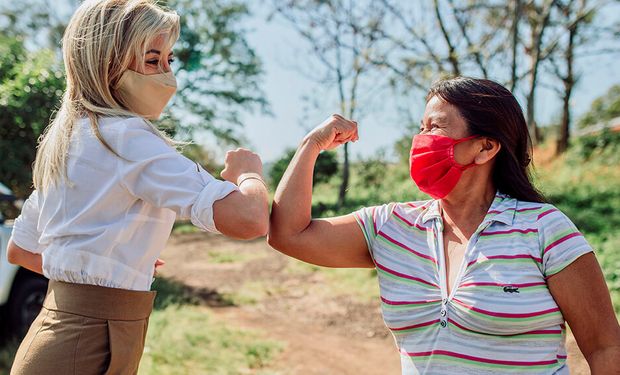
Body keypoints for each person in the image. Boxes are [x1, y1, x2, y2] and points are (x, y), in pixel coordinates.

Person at [268, 77, 620, 374]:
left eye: (434, 127)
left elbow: (606, 349)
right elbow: (289, 234)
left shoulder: (544, 229)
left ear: (485, 147)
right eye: (421, 129)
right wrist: (310, 145)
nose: (420, 140)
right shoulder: (391, 227)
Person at [7, 1, 269, 374]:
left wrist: (114, 265)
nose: (168, 76)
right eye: (151, 60)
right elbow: (250, 219)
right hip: (84, 349)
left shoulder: (68, 140)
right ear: (107, 65)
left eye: (169, 60)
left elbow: (20, 249)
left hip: (55, 338)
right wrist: (249, 174)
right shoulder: (125, 137)